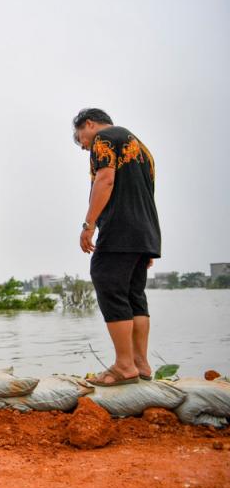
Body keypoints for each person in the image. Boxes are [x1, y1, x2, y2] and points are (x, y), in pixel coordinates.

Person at [72, 108, 161, 387]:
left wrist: (88, 225)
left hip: (120, 228)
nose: (83, 145)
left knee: (108, 282)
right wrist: (145, 243)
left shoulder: (105, 139)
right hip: (144, 229)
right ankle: (141, 363)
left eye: (80, 138)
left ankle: (124, 365)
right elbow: (147, 191)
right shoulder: (142, 148)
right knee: (134, 294)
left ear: (89, 124)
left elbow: (106, 179)